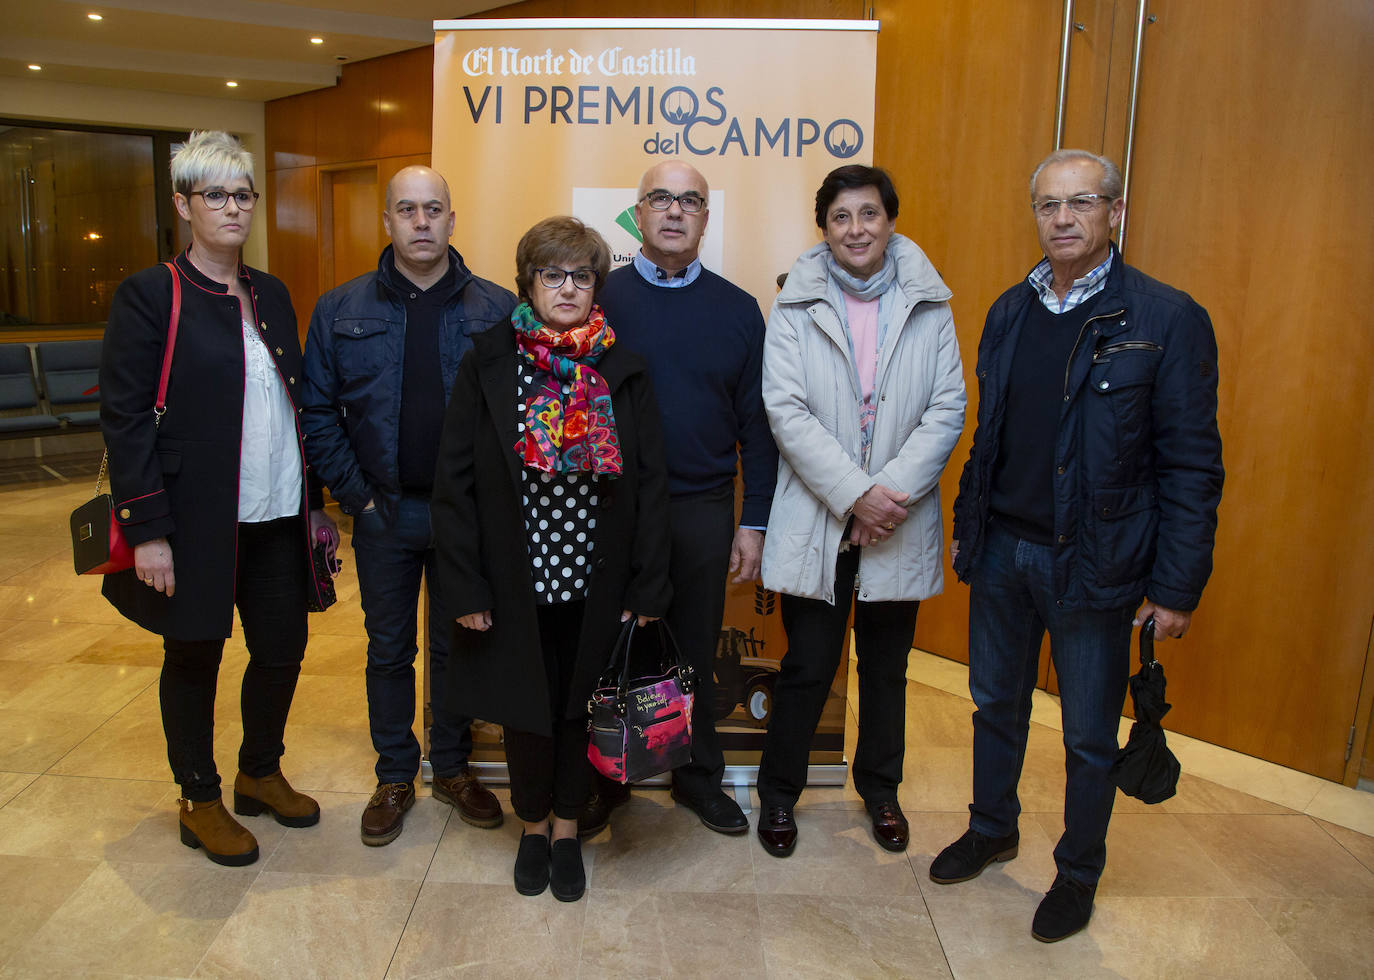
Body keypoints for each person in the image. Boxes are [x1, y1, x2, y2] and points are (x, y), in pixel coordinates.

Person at [931, 149, 1223, 942]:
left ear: (1115, 213)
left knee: (1090, 736)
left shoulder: (1166, 319)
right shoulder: (1009, 310)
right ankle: (992, 829)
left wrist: (1176, 587)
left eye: (1081, 202)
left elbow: (1193, 467)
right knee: (995, 707)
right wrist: (968, 527)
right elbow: (991, 437)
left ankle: (1078, 872)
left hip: (1095, 561)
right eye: (1048, 205)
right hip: (1002, 551)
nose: (1062, 219)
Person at [99, 130, 336, 866]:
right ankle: (199, 798)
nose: (233, 208)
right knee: (195, 654)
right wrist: (148, 530)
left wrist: (315, 502)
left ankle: (258, 772)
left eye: (242, 195)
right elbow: (125, 418)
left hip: (277, 515)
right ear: (184, 205)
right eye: (215, 195)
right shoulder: (152, 294)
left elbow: (294, 405)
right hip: (196, 521)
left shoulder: (272, 293)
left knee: (283, 650)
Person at [430, 216, 671, 901]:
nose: (567, 288)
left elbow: (651, 482)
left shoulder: (623, 368)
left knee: (578, 708)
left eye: (581, 276)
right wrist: (466, 587)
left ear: (597, 285)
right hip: (514, 579)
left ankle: (567, 828)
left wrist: (647, 586)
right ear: (528, 284)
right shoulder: (488, 362)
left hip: (598, 580)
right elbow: (455, 483)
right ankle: (532, 827)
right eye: (552, 274)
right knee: (525, 710)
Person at [755, 165, 966, 859]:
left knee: (885, 668)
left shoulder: (929, 303)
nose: (856, 229)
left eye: (869, 214)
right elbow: (786, 410)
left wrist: (885, 499)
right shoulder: (794, 303)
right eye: (841, 217)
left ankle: (880, 789)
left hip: (896, 519)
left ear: (890, 221)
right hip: (821, 517)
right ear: (824, 227)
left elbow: (947, 408)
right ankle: (778, 794)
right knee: (808, 665)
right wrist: (854, 495)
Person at [301, 166, 511, 846]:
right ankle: (395, 774)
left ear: (452, 219)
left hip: (465, 518)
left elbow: (519, 418)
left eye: (433, 209)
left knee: (458, 647)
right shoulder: (340, 309)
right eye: (407, 210)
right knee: (389, 649)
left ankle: (450, 768)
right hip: (383, 513)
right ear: (387, 221)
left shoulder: (498, 308)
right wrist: (355, 496)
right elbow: (316, 412)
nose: (421, 222)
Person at [593, 160, 778, 836]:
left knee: (694, 650)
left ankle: (697, 777)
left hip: (702, 507)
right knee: (608, 646)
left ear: (705, 216)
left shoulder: (737, 310)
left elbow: (758, 427)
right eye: (661, 198)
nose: (675, 211)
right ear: (638, 213)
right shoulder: (599, 300)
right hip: (612, 508)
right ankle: (606, 779)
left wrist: (753, 521)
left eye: (690, 200)